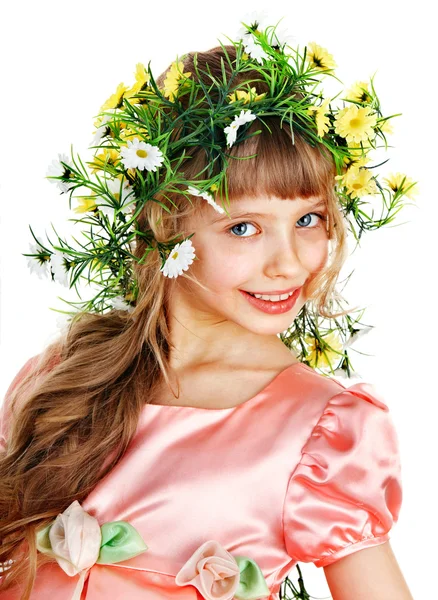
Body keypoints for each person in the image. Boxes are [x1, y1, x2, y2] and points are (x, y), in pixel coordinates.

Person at [0, 17, 414, 600]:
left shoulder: (319, 431)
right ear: (164, 223)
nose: (289, 263)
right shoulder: (63, 376)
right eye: (244, 227)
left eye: (308, 220)